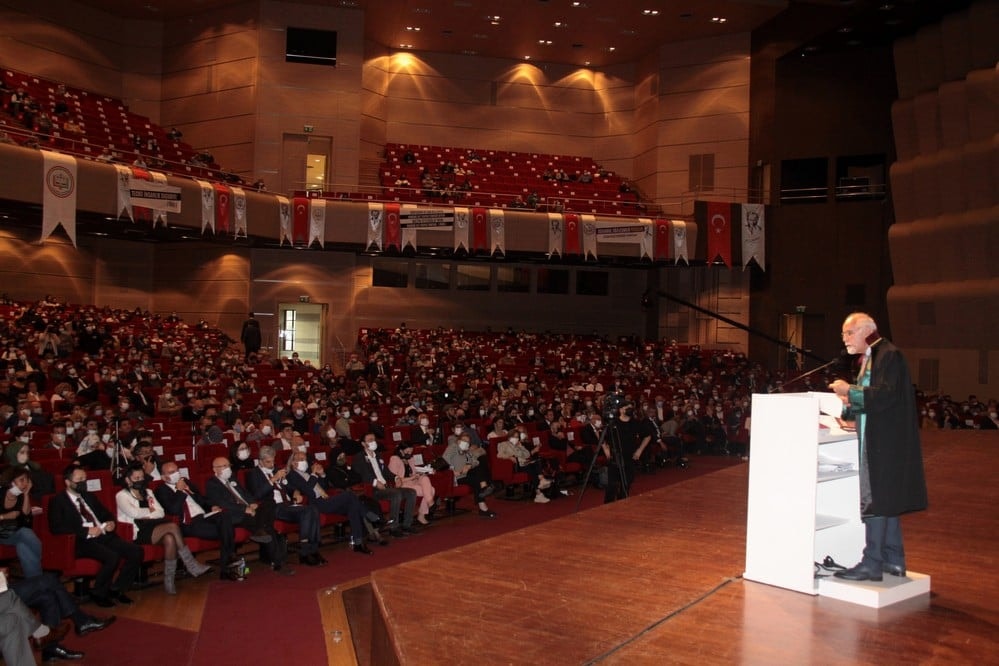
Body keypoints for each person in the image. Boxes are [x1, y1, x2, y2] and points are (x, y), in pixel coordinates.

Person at [829, 312, 928, 582]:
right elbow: (875, 398)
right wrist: (850, 411)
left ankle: (872, 562)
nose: (845, 339)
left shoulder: (887, 355)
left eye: (848, 333)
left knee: (875, 499)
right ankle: (893, 560)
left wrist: (848, 390)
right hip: (884, 439)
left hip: (883, 442)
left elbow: (884, 395)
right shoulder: (875, 355)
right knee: (887, 500)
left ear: (865, 331)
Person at [47, 465, 144, 608]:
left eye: (84, 479)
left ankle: (117, 589)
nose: (83, 482)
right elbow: (57, 527)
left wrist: (110, 522)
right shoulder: (58, 501)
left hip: (103, 535)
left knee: (136, 551)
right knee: (112, 556)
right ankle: (99, 592)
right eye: (79, 479)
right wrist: (86, 531)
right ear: (68, 482)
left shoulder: (89, 496)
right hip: (81, 540)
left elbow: (106, 513)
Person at [115, 463, 212, 594]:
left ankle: (169, 581)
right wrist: (149, 511)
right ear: (128, 480)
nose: (140, 481)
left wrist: (147, 513)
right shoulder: (122, 495)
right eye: (136, 478)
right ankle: (191, 564)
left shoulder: (148, 492)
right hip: (137, 532)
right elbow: (133, 513)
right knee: (172, 526)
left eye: (141, 477)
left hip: (153, 527)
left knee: (170, 539)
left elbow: (160, 512)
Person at [154, 462, 247, 582]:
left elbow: (201, 499)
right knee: (227, 530)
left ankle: (228, 565)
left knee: (225, 515)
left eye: (177, 470)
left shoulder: (186, 482)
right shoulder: (161, 490)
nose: (176, 474)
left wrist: (211, 506)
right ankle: (227, 565)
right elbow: (174, 510)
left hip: (204, 516)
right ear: (163, 477)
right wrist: (179, 491)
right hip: (188, 523)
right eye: (171, 472)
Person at [245, 446, 326, 568]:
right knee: (308, 511)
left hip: (287, 505)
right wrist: (273, 479)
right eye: (268, 462)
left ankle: (313, 549)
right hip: (273, 507)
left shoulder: (277, 469)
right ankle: (305, 551)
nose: (271, 464)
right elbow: (256, 495)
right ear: (260, 461)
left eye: (273, 461)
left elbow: (289, 486)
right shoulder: (253, 474)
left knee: (312, 509)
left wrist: (295, 492)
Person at [205, 457, 288, 573]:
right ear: (215, 469)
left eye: (228, 465)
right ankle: (277, 561)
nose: (227, 468)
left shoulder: (233, 479)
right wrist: (244, 509)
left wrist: (252, 503)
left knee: (269, 504)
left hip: (249, 510)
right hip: (235, 514)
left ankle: (260, 531)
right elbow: (223, 503)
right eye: (223, 466)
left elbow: (245, 494)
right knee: (267, 527)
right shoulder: (212, 483)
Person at [353, 434, 418, 537]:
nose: (373, 441)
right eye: (370, 440)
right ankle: (394, 527)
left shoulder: (378, 455)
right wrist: (375, 482)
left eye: (374, 439)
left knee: (411, 492)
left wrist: (396, 478)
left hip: (386, 487)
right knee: (396, 494)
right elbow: (362, 474)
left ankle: (407, 524)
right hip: (373, 490)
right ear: (363, 443)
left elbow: (387, 472)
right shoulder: (359, 457)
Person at [0, 467, 43, 578]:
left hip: (15, 533)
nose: (25, 483)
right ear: (11, 482)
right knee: (25, 532)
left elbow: (26, 514)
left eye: (27, 480)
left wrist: (26, 494)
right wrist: (4, 516)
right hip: (1, 533)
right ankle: (46, 562)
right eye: (21, 480)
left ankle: (35, 583)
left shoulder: (21, 496)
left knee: (23, 547)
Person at [443, 432, 496, 518]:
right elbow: (444, 461)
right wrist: (453, 471)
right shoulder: (452, 448)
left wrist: (469, 465)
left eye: (468, 441)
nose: (466, 443)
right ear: (458, 441)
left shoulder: (466, 451)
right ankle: (484, 494)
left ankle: (483, 489)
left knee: (479, 465)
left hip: (466, 475)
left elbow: (475, 461)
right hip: (455, 477)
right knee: (476, 480)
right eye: (464, 440)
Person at [602, 399, 643, 503]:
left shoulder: (635, 422)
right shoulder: (613, 423)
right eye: (627, 408)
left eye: (631, 408)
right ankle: (607, 506)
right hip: (615, 457)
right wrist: (606, 450)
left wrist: (639, 451)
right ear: (621, 410)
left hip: (630, 457)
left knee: (626, 484)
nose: (630, 410)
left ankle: (622, 504)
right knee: (612, 485)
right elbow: (602, 438)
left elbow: (647, 436)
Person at [387, 443, 436, 525]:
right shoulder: (394, 459)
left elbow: (413, 471)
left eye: (411, 451)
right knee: (431, 490)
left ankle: (430, 503)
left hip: (412, 480)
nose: (409, 453)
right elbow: (393, 478)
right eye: (407, 451)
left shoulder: (410, 458)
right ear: (401, 450)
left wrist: (420, 473)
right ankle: (424, 512)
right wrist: (411, 478)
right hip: (403, 483)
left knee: (425, 478)